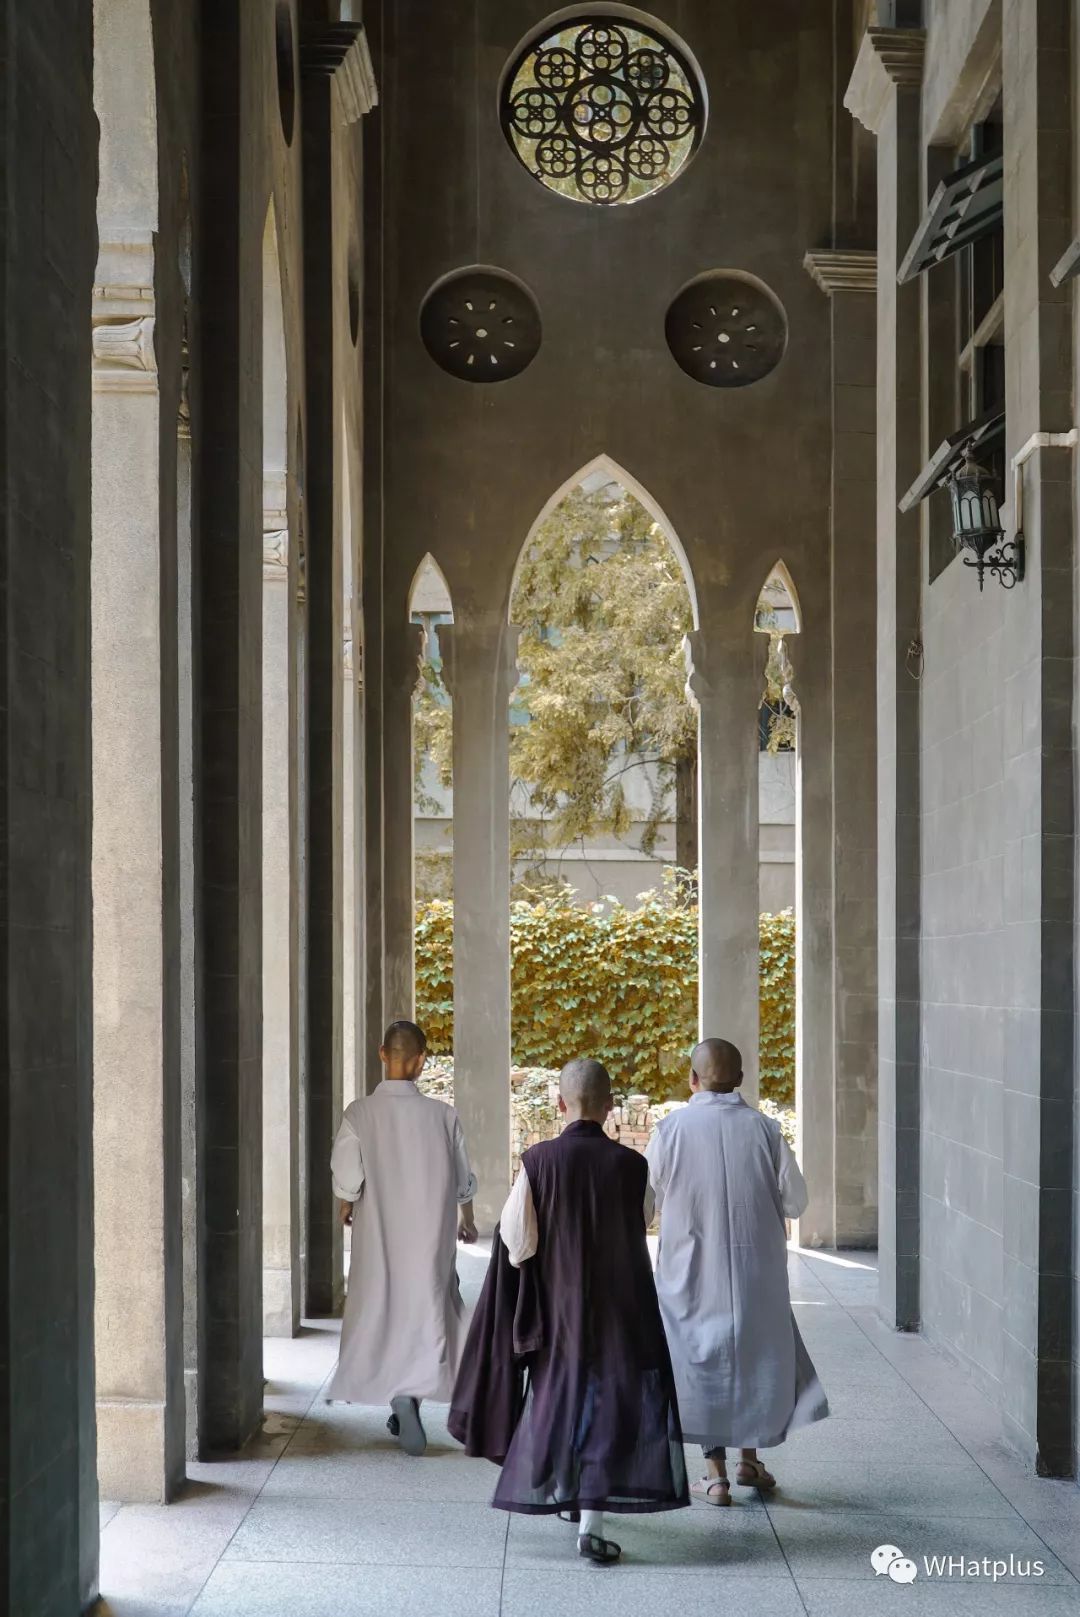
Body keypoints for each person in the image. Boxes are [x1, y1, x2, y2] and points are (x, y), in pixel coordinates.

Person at [450, 1058, 688, 1565]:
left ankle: (567, 1490)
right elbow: (643, 1217)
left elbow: (517, 1242)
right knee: (609, 1406)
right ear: (610, 1108)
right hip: (622, 1309)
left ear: (560, 1104)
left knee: (559, 1395)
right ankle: (592, 1521)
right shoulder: (632, 1166)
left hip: (558, 1310)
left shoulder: (538, 1161)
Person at [645, 1038, 828, 1505]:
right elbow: (796, 1201)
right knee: (751, 1354)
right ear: (741, 1079)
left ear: (691, 1079)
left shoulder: (670, 1130)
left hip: (690, 1269)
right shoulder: (765, 1130)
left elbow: (646, 1204)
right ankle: (750, 1459)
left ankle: (715, 1474)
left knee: (699, 1359)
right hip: (754, 1269)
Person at [327, 1019, 478, 1456]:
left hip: (380, 1229)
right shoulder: (442, 1115)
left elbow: (348, 1175)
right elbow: (462, 1178)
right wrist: (466, 1218)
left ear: (381, 1054)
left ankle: (398, 1392)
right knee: (424, 1305)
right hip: (430, 1231)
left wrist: (346, 1201)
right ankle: (409, 1393)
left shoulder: (359, 1113)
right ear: (421, 1061)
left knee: (382, 1305)